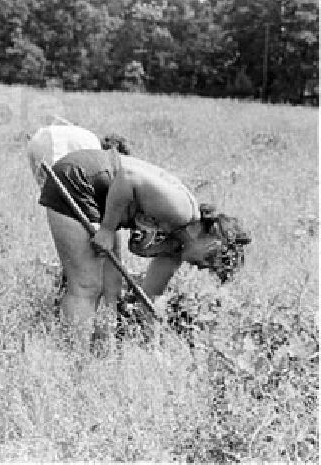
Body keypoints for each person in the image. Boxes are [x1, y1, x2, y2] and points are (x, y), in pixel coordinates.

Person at [37, 148, 250, 345]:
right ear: (212, 235)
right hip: (80, 178)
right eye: (210, 259)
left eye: (209, 268)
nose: (202, 266)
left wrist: (152, 343)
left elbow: (149, 297)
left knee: (113, 288)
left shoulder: (175, 250)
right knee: (87, 285)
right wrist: (108, 230)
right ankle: (73, 357)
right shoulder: (183, 211)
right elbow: (128, 177)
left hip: (101, 199)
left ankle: (102, 350)